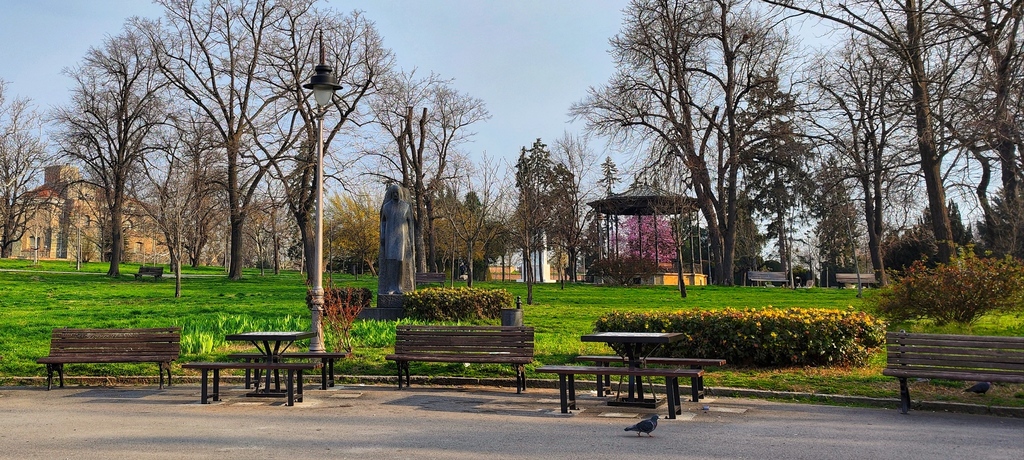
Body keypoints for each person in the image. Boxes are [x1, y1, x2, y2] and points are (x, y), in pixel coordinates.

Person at [378, 184, 416, 295]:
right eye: (393, 193)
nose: (395, 195)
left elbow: (410, 224)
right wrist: (382, 236)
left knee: (399, 260)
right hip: (389, 237)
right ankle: (391, 286)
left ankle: (398, 286)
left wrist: (411, 240)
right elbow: (383, 222)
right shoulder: (386, 207)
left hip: (401, 237)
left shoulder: (405, 207)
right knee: (390, 261)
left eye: (397, 193)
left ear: (400, 193)